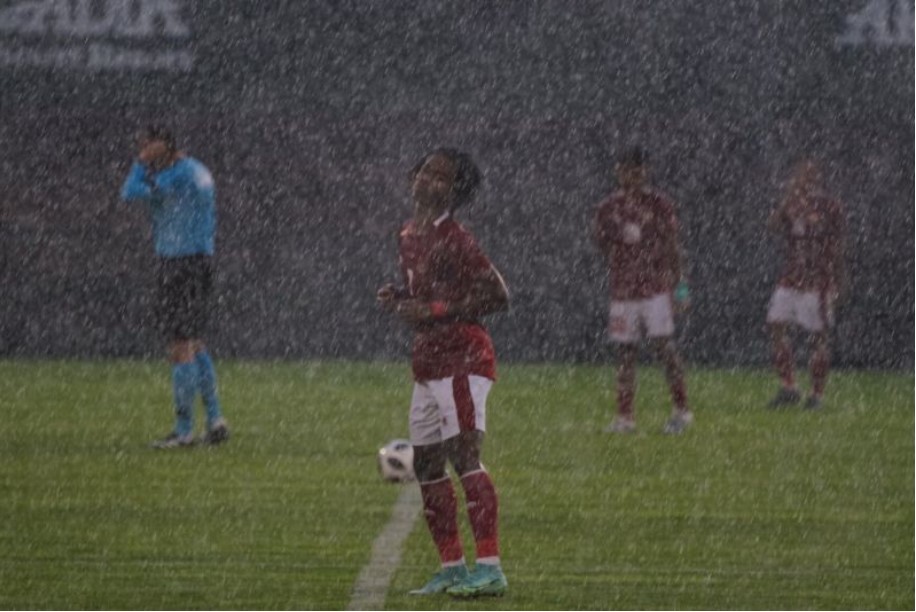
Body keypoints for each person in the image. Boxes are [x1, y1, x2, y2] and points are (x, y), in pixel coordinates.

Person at [377, 148, 510, 597]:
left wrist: (433, 310)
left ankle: (489, 568)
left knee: (465, 457)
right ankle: (452, 568)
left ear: (455, 192)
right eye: (425, 171)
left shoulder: (456, 237)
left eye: (440, 177)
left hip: (463, 357)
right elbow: (428, 294)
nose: (427, 179)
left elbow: (498, 295)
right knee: (428, 464)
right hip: (429, 361)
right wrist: (400, 298)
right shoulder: (408, 234)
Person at [121, 125, 229, 448]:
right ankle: (216, 419)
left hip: (179, 264)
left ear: (163, 145)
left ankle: (184, 432)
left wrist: (140, 163)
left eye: (147, 145)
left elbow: (129, 192)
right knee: (195, 343)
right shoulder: (198, 169)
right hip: (199, 261)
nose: (143, 151)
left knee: (180, 345)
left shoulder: (176, 176)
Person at [592, 146, 692, 435]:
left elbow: (673, 247)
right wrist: (620, 261)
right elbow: (602, 243)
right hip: (623, 292)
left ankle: (682, 410)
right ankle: (625, 418)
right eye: (627, 171)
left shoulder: (659, 204)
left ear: (645, 173)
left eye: (637, 171)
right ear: (618, 172)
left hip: (655, 290)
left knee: (664, 348)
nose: (632, 177)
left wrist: (680, 288)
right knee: (625, 353)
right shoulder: (608, 208)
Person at [765, 158, 846, 409]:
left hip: (818, 280)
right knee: (776, 324)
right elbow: (772, 226)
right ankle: (789, 386)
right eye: (800, 174)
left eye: (809, 174)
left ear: (818, 178)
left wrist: (839, 280)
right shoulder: (792, 203)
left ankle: (817, 395)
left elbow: (839, 245)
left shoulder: (829, 206)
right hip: (792, 277)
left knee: (818, 337)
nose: (803, 179)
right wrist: (786, 202)